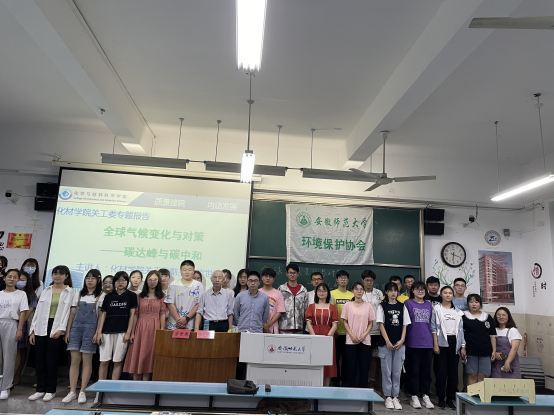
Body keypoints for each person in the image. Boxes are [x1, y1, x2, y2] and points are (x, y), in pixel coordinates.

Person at [28, 265, 74, 402]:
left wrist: (61, 329)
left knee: (52, 360)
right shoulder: (46, 290)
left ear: (66, 276)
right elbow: (38, 312)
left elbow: (68, 313)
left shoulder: (70, 292)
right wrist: (33, 330)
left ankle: (50, 390)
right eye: (55, 273)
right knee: (40, 359)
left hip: (56, 327)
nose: (57, 276)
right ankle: (40, 389)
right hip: (41, 326)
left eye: (61, 274)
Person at [63, 269, 103, 404]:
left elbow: (101, 316)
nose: (90, 280)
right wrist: (68, 331)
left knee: (87, 361)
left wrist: (97, 332)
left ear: (98, 280)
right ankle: (72, 391)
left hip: (90, 330)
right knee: (75, 361)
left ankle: (82, 391)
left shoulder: (101, 296)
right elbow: (72, 314)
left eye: (93, 278)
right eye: (87, 278)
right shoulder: (79, 294)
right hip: (76, 329)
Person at [95, 271, 138, 382]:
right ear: (114, 282)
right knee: (104, 361)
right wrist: (99, 332)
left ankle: (113, 388)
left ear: (127, 282)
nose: (120, 282)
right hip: (106, 332)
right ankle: (101, 389)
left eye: (123, 280)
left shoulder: (132, 296)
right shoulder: (108, 296)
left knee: (117, 361)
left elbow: (133, 315)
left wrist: (129, 332)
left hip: (122, 332)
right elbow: (103, 315)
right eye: (118, 280)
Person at [124, 270, 166, 381]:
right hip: (140, 328)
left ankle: (146, 385)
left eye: (155, 280)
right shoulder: (139, 296)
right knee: (138, 354)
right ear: (146, 281)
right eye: (150, 279)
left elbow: (162, 314)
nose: (152, 282)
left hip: (155, 328)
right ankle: (135, 385)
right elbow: (135, 315)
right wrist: (132, 332)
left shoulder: (162, 296)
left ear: (158, 281)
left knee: (149, 356)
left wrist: (161, 331)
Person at [377, 282, 411, 411]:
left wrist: (402, 340)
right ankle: (388, 397)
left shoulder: (403, 306)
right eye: (390, 290)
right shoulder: (382, 306)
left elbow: (405, 325)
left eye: (395, 290)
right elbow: (380, 324)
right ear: (386, 292)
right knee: (387, 371)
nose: (393, 293)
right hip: (385, 344)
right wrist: (387, 341)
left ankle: (395, 396)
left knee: (397, 371)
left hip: (399, 344)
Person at [432, 286, 465, 410]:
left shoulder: (458, 311)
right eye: (445, 292)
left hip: (454, 343)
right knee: (441, 372)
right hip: (441, 343)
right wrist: (435, 344)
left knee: (453, 373)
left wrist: (463, 346)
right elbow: (433, 328)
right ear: (441, 294)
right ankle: (441, 398)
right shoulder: (436, 309)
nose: (448, 295)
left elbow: (461, 331)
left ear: (453, 295)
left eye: (450, 293)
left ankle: (450, 399)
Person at [404, 281, 434, 410]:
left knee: (426, 372)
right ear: (412, 290)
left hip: (427, 343)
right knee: (413, 371)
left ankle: (425, 395)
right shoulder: (408, 303)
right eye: (417, 289)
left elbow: (433, 325)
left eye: (422, 289)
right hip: (412, 342)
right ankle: (414, 396)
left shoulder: (429, 305)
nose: (420, 291)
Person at [0, 269, 29, 399]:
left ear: (17, 280)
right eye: (9, 276)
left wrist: (19, 329)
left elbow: (23, 312)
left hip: (11, 323)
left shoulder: (21, 294)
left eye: (15, 277)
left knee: (9, 357)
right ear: (4, 278)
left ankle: (5, 387)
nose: (11, 279)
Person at [342, 282, 375, 389]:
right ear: (352, 291)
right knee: (351, 368)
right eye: (356, 289)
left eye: (361, 289)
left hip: (365, 341)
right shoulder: (347, 305)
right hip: (351, 340)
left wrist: (364, 335)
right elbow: (345, 321)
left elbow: (371, 323)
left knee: (364, 368)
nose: (359, 291)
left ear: (363, 292)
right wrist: (351, 335)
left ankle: (363, 390)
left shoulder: (368, 306)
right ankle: (351, 390)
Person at [306, 282, 338, 386]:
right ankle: (315, 385)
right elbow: (308, 323)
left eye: (324, 290)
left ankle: (326, 386)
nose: (321, 292)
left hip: (328, 335)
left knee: (328, 361)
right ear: (316, 293)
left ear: (328, 293)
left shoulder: (332, 307)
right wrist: (314, 337)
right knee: (315, 359)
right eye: (319, 290)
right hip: (314, 335)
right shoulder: (311, 306)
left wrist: (328, 338)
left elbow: (334, 325)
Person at [462, 294, 497, 386]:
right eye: (471, 302)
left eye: (476, 302)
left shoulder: (487, 317)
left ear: (480, 304)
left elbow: (492, 335)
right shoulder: (463, 316)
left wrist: (494, 350)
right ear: (468, 304)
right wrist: (463, 348)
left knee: (483, 375)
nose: (474, 304)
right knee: (472, 374)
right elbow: (461, 334)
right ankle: (471, 395)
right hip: (470, 351)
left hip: (485, 351)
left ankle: (480, 395)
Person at [165, 260, 204, 331]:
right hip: (174, 324)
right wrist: (178, 320)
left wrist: (186, 318)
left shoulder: (198, 285)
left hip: (190, 324)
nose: (187, 272)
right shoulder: (174, 284)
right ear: (180, 271)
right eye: (184, 270)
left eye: (189, 270)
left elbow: (198, 305)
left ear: (193, 271)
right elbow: (170, 303)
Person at [14, 271, 37, 386]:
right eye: (18, 279)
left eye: (23, 280)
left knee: (20, 351)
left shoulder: (31, 295)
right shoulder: (8, 292)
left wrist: (18, 323)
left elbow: (29, 312)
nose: (20, 282)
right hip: (7, 323)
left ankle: (16, 376)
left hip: (21, 324)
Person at [360, 270, 382, 389]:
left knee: (374, 357)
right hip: (362, 332)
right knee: (364, 357)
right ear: (363, 280)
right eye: (367, 280)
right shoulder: (359, 292)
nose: (369, 282)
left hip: (376, 331)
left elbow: (381, 310)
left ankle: (372, 381)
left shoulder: (379, 293)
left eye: (371, 280)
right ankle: (363, 381)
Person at [331, 270, 353, 387]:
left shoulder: (352, 295)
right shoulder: (332, 294)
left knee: (347, 359)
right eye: (341, 277)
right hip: (336, 332)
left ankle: (345, 381)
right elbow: (330, 312)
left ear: (348, 280)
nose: (343, 279)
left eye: (345, 278)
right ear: (337, 280)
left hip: (349, 333)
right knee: (335, 358)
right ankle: (335, 381)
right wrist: (333, 329)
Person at [278, 263, 309, 334]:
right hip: (284, 327)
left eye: (294, 273)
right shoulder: (281, 289)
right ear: (287, 274)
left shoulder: (303, 290)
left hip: (299, 327)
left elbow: (306, 308)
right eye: (290, 273)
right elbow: (278, 307)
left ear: (298, 274)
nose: (292, 275)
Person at [492, 307, 522, 379]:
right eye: (498, 315)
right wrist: (494, 353)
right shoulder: (492, 330)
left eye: (504, 315)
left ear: (508, 317)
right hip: (495, 364)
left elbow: (514, 349)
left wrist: (507, 362)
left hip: (510, 364)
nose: (501, 317)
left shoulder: (512, 330)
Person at [259, 268, 285, 334]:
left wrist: (268, 325)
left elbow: (279, 311)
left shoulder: (278, 293)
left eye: (270, 276)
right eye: (266, 276)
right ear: (262, 278)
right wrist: (262, 325)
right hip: (258, 327)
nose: (268, 278)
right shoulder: (257, 292)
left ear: (273, 279)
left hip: (273, 327)